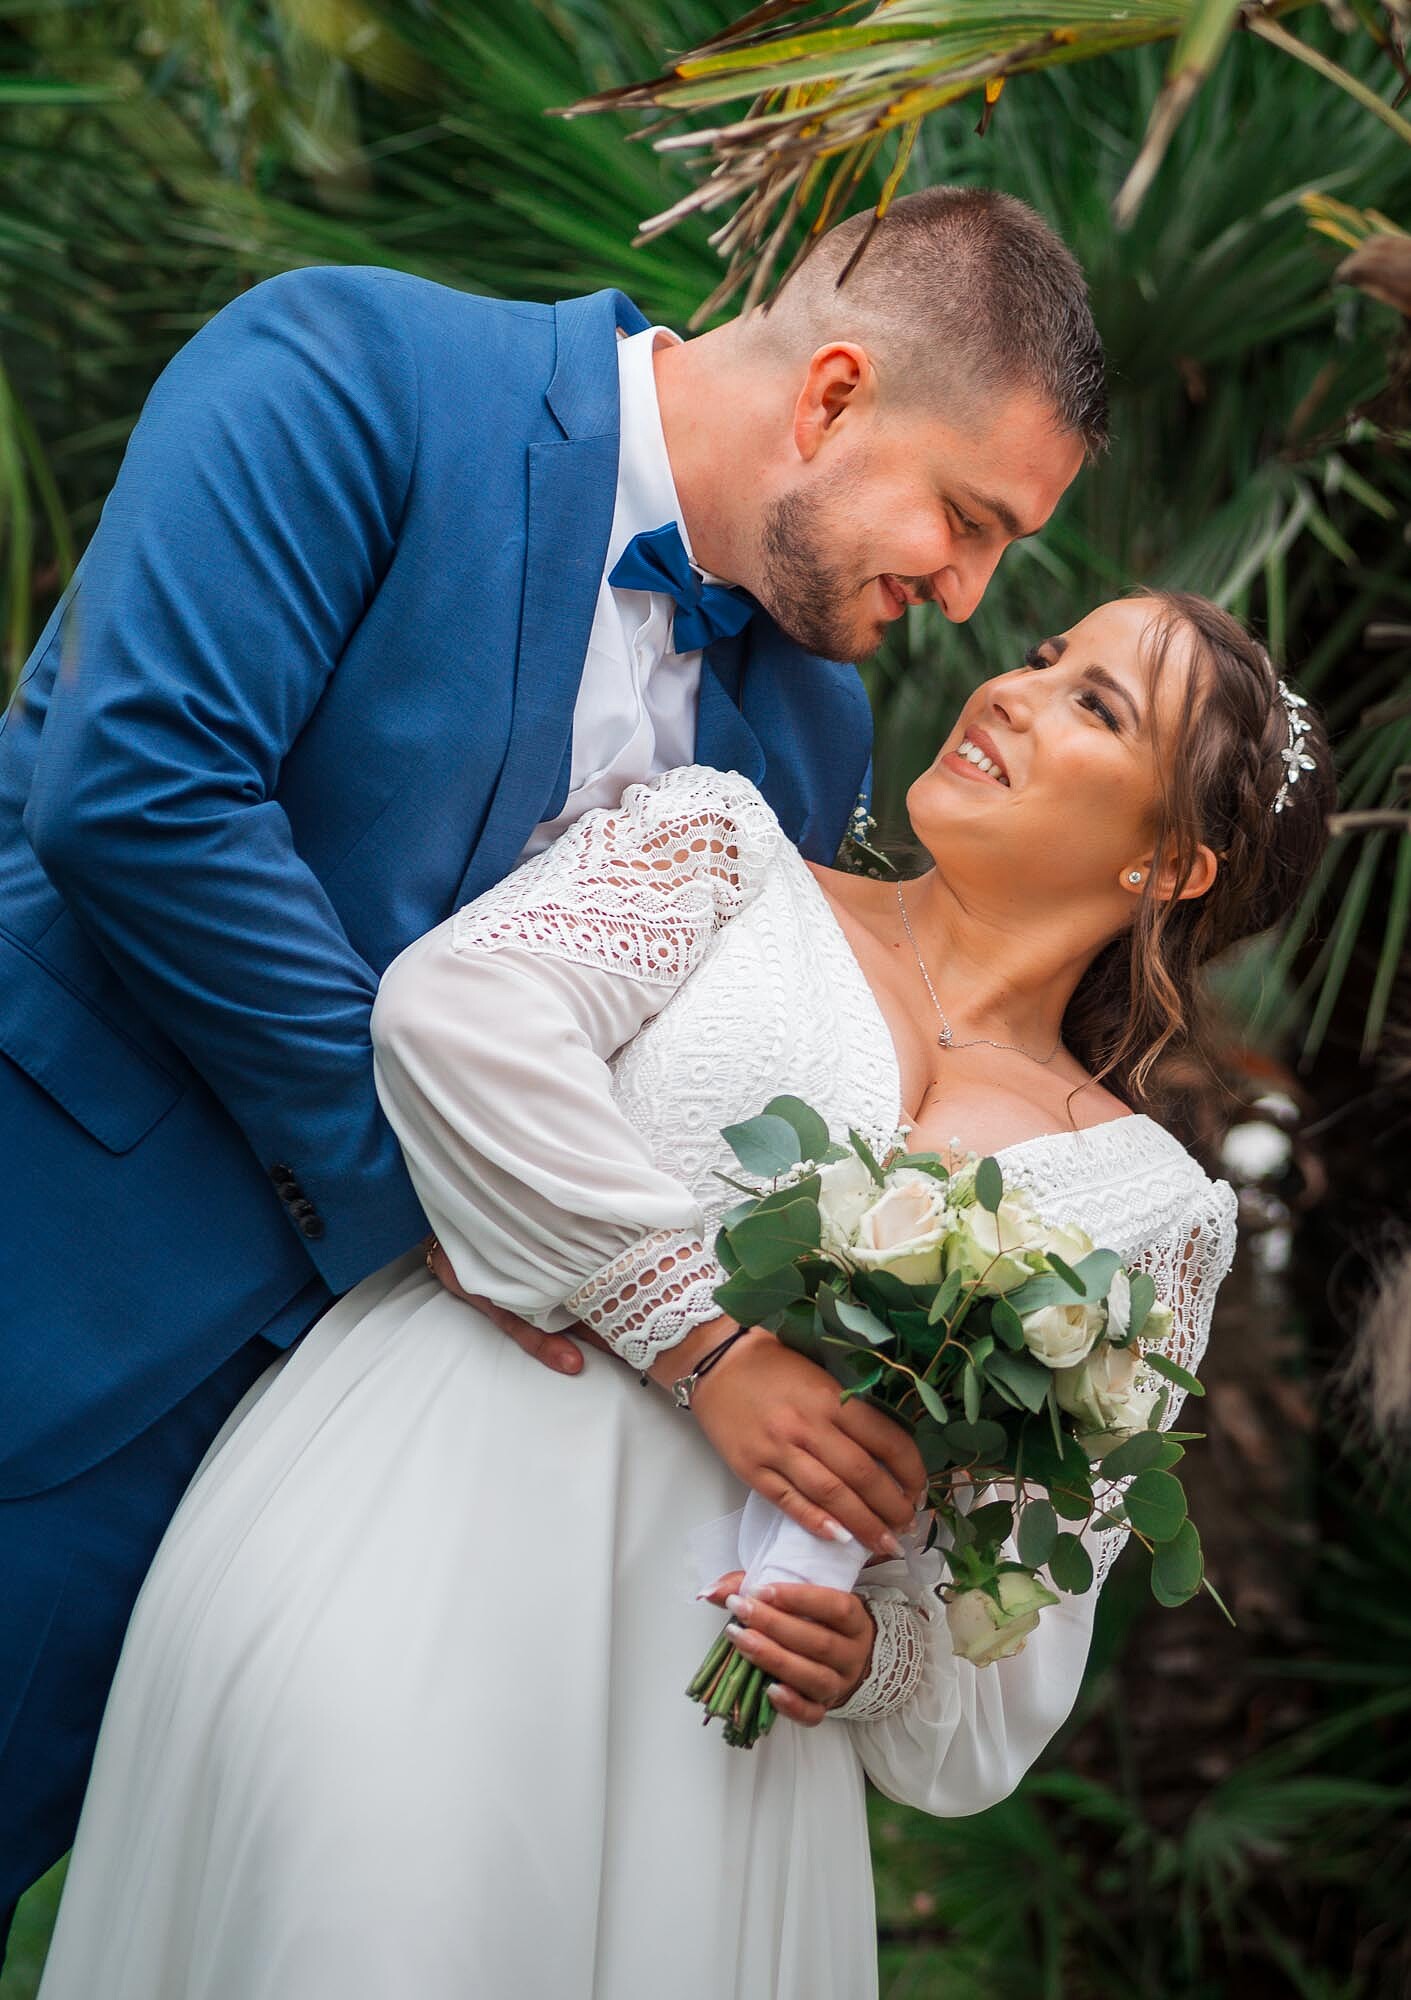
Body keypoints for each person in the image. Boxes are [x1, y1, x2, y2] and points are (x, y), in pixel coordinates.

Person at [0, 186, 1104, 1936]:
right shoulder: (353, 367)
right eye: (967, 521)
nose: (963, 594)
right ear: (829, 395)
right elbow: (140, 785)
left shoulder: (814, 728)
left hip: (378, 1521)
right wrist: (428, 1192)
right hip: (62, 1307)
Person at [35, 590, 1332, 1999]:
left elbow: (1003, 1638)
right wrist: (697, 1336)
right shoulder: (717, 853)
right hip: (425, 1530)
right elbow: (454, 1021)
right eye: (1041, 657)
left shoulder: (1148, 1211)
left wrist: (876, 1656)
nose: (1012, 692)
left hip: (715, 1753)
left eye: (1097, 704)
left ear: (1172, 866)